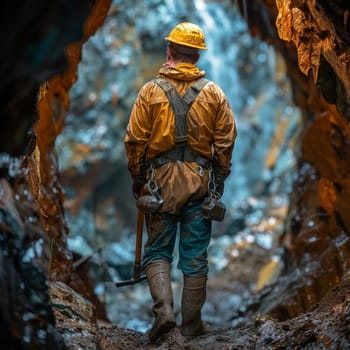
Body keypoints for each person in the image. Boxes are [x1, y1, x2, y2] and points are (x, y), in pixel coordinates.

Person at [124, 22, 237, 342]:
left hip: (159, 182)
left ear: (170, 51)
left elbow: (134, 140)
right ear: (197, 56)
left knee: (157, 250)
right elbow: (226, 140)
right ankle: (192, 325)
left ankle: (164, 315)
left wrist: (137, 179)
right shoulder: (214, 92)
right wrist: (219, 179)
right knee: (195, 254)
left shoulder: (150, 91)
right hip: (199, 182)